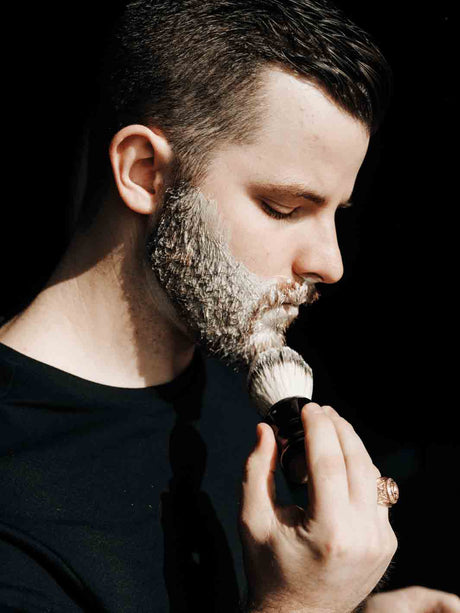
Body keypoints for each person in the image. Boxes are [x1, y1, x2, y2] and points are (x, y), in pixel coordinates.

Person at [0, 0, 459, 611]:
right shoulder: (14, 482)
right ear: (144, 172)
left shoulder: (237, 371)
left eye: (336, 213)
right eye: (284, 208)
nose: (331, 263)